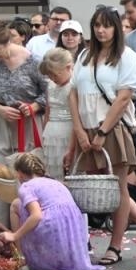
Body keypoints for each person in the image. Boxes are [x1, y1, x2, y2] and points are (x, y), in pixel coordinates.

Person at [70, 6, 136, 267]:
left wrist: (101, 132)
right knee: (95, 190)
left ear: (116, 29)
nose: (101, 30)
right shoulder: (85, 55)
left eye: (107, 25)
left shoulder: (127, 56)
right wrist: (78, 130)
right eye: (97, 25)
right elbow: (73, 92)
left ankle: (116, 245)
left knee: (118, 189)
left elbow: (123, 98)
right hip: (86, 128)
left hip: (111, 127)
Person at [0, 150, 100, 270]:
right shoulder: (56, 183)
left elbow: (36, 216)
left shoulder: (26, 187)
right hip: (73, 236)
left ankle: (21, 256)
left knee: (15, 205)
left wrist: (14, 235)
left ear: (19, 174)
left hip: (51, 228)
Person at [0, 20, 47, 174]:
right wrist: (0, 110)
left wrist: (33, 107)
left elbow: (49, 92)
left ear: (8, 42)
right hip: (1, 122)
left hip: (29, 122)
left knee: (29, 167)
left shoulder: (34, 61)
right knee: (0, 170)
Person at [38, 48, 75, 179]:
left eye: (55, 75)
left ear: (68, 67)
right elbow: (48, 110)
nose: (52, 79)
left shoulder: (74, 86)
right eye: (49, 75)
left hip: (68, 131)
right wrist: (43, 132)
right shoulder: (50, 85)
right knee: (52, 171)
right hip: (51, 132)